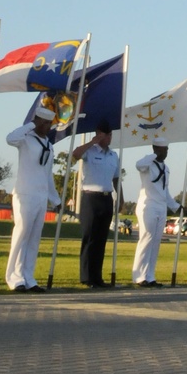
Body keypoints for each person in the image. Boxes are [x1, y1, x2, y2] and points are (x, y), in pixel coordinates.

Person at [5, 104, 60, 292]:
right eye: (43, 123)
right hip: (25, 193)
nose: (46, 127)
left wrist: (55, 199)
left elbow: (47, 174)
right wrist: (31, 125)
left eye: (48, 124)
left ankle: (28, 276)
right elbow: (10, 138)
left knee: (34, 238)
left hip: (40, 195)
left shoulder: (48, 145)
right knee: (21, 234)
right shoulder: (26, 139)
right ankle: (14, 277)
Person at [71, 120, 119, 289]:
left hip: (106, 198)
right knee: (89, 238)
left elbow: (116, 177)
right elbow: (75, 154)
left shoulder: (113, 155)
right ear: (99, 135)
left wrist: (120, 196)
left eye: (110, 135)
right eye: (106, 135)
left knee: (101, 240)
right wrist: (92, 142)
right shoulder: (90, 151)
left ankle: (97, 277)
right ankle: (86, 276)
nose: (109, 138)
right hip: (90, 198)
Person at [133, 140, 180, 286]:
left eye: (166, 149)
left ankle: (150, 275)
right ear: (156, 149)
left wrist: (175, 206)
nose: (165, 152)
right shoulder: (148, 164)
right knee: (146, 238)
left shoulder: (166, 168)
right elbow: (138, 165)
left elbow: (165, 191)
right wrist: (153, 154)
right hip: (148, 205)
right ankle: (139, 276)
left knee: (156, 242)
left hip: (161, 206)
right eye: (162, 149)